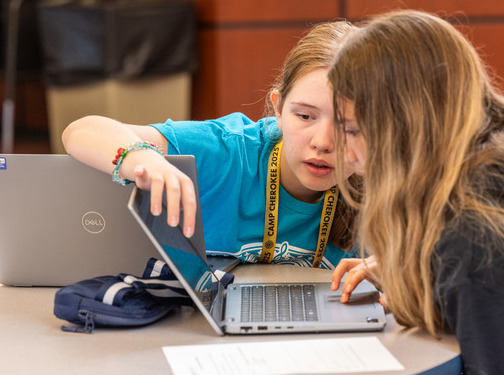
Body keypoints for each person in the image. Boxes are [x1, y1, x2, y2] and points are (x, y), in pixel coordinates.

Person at [62, 21, 361, 269]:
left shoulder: (387, 180)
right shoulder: (228, 150)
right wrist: (143, 157)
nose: (322, 143)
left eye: (348, 128)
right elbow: (81, 130)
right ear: (278, 109)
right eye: (305, 116)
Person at [329, 10, 504, 374]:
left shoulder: (472, 236)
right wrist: (421, 273)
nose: (347, 155)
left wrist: (446, 271)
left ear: (405, 128)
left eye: (355, 131)